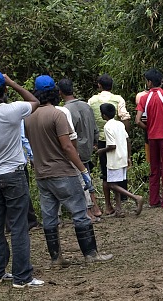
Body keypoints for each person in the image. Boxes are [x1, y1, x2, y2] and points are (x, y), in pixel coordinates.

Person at [25, 75, 113, 265]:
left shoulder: (29, 117)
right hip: (63, 171)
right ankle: (91, 254)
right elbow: (67, 146)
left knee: (49, 218)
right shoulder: (59, 114)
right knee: (80, 213)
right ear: (56, 92)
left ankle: (56, 258)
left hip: (42, 174)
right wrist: (82, 170)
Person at [0, 69, 43, 288]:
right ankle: (22, 276)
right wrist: (13, 82)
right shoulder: (14, 110)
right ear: (4, 89)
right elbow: (34, 101)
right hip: (14, 174)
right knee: (18, 225)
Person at [88, 74, 131, 215]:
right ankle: (119, 205)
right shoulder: (118, 99)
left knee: (106, 175)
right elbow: (125, 117)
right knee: (117, 173)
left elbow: (90, 122)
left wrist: (94, 142)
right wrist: (123, 133)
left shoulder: (92, 101)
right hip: (118, 141)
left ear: (99, 85)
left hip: (102, 140)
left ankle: (108, 206)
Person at [59, 78, 101, 222]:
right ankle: (96, 208)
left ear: (60, 92)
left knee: (80, 179)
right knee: (87, 175)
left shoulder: (65, 110)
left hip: (76, 149)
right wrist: (95, 142)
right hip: (88, 147)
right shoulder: (86, 105)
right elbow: (95, 127)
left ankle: (89, 209)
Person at [135, 68, 163, 208]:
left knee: (154, 169)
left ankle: (153, 200)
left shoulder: (143, 98)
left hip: (151, 137)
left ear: (149, 82)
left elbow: (137, 120)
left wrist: (149, 128)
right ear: (162, 81)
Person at [97, 103, 145, 216]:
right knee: (116, 183)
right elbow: (127, 139)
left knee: (111, 184)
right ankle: (118, 209)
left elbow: (111, 146)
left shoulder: (107, 126)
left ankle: (136, 198)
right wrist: (128, 157)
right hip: (122, 156)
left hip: (114, 159)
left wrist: (101, 151)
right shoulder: (119, 124)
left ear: (103, 115)